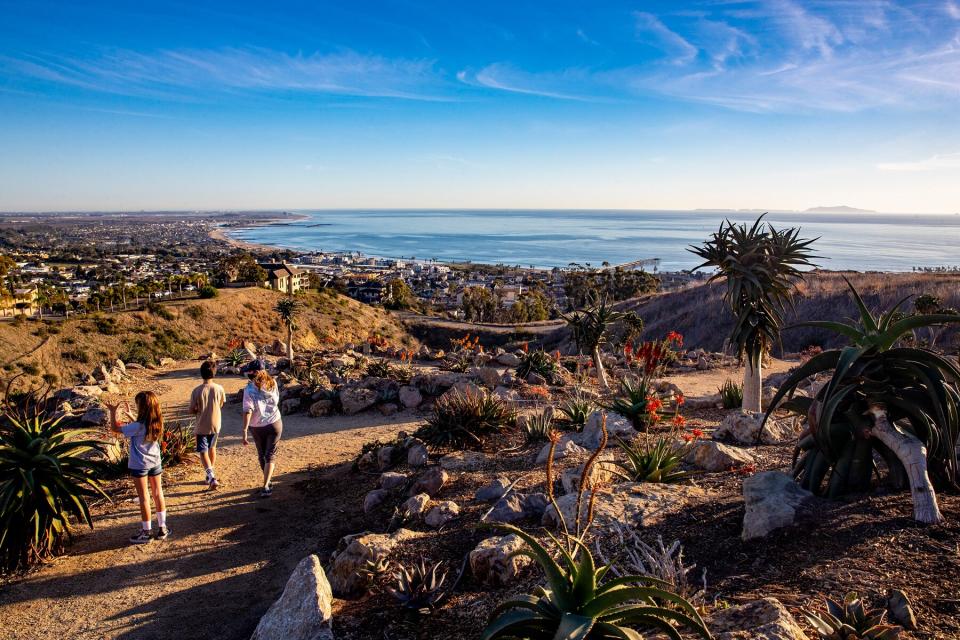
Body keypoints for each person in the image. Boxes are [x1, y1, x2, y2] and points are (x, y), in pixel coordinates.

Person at [106, 391, 169, 543]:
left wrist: (113, 411)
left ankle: (146, 532)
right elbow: (141, 428)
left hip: (140, 465)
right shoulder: (157, 422)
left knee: (144, 498)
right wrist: (130, 416)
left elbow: (115, 428)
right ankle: (162, 528)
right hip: (155, 462)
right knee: (158, 493)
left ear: (142, 407)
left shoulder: (137, 426)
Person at [241, 366, 282, 497]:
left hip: (257, 426)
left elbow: (248, 410)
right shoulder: (273, 383)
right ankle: (266, 484)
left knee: (262, 454)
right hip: (274, 422)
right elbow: (276, 400)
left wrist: (245, 429)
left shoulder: (248, 390)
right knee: (270, 454)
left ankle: (267, 482)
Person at [189, 360, 226, 489]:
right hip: (216, 424)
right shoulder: (219, 388)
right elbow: (222, 404)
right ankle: (210, 472)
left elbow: (191, 409)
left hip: (201, 425)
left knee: (203, 451)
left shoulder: (197, 391)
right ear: (214, 373)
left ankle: (211, 476)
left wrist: (197, 410)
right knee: (212, 448)